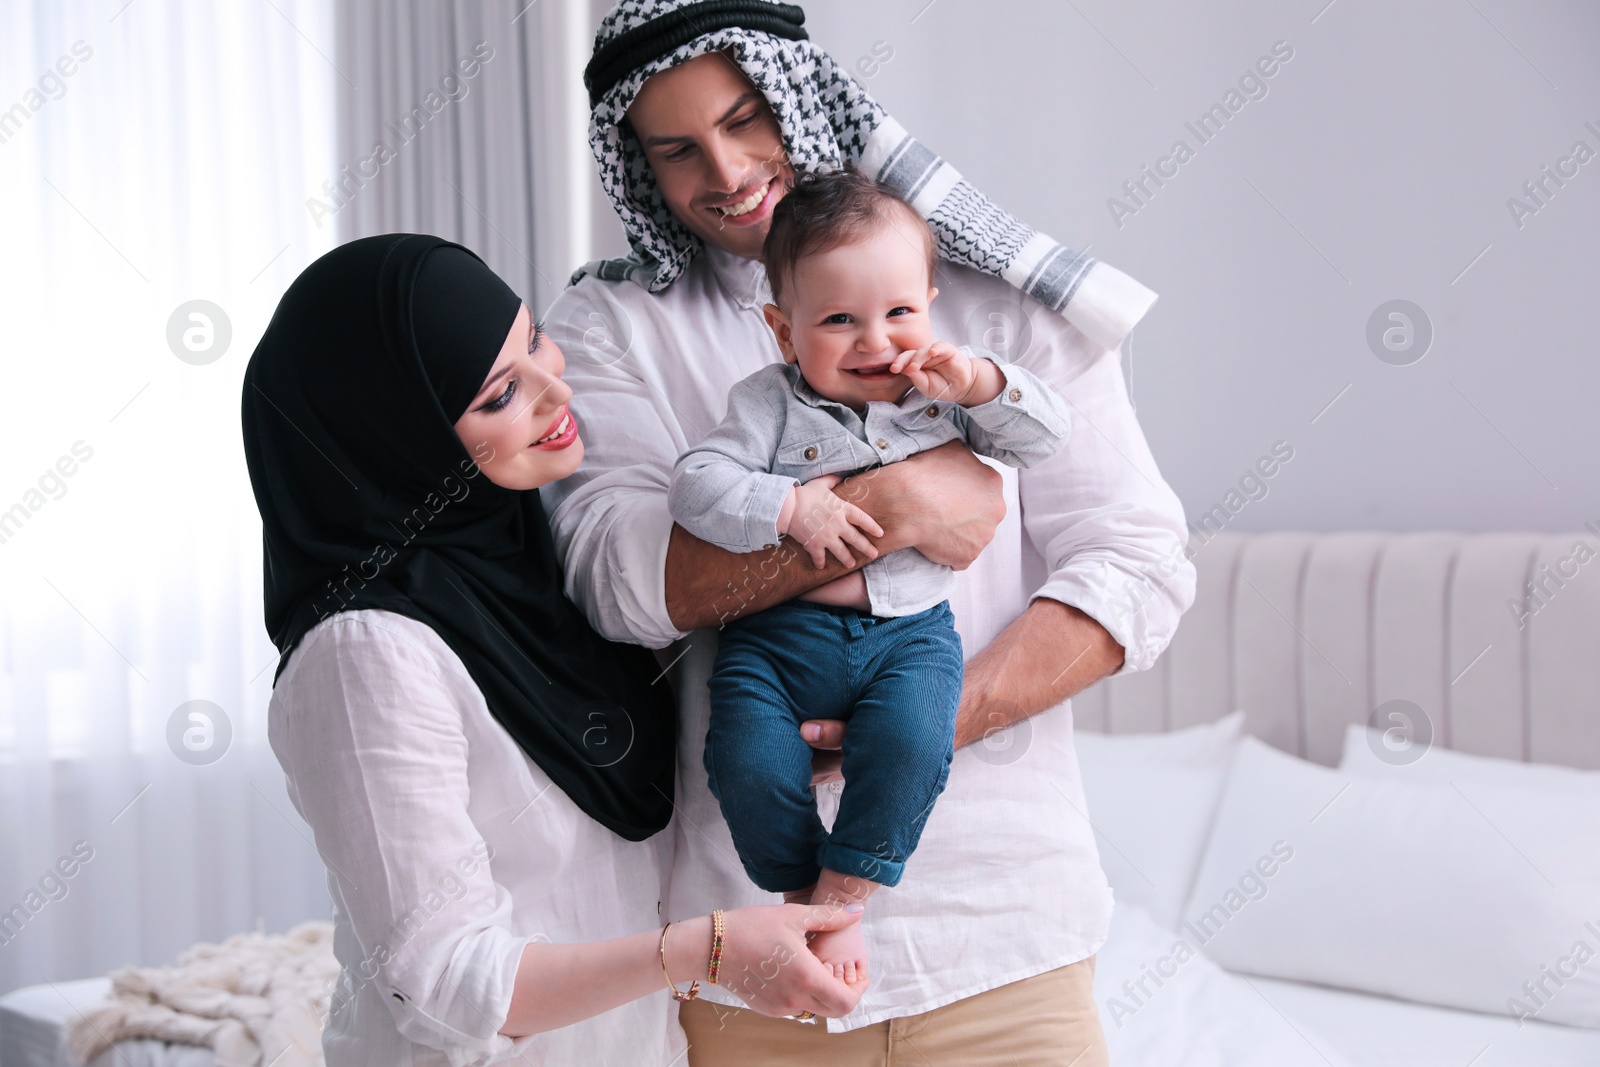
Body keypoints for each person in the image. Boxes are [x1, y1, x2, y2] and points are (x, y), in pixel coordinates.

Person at [544, 1, 1197, 1062]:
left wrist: (934, 724)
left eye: (747, 116)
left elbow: (1141, 566)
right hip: (745, 950)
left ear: (802, 96)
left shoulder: (995, 315)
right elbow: (619, 584)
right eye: (677, 149)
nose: (728, 168)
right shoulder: (613, 328)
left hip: (1004, 934)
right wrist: (890, 506)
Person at [242, 233, 866, 1066]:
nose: (555, 388)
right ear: (402, 438)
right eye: (502, 393)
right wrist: (705, 950)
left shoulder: (540, 568)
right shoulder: (364, 655)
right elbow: (446, 980)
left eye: (534, 339)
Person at [668, 168, 1074, 987]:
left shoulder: (942, 396)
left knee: (916, 743)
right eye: (839, 320)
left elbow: (1043, 441)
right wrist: (787, 508)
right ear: (785, 334)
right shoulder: (767, 404)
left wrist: (983, 384)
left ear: (929, 304)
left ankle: (846, 894)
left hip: (909, 636)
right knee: (744, 760)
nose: (875, 341)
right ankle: (799, 891)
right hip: (775, 644)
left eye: (898, 313)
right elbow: (694, 483)